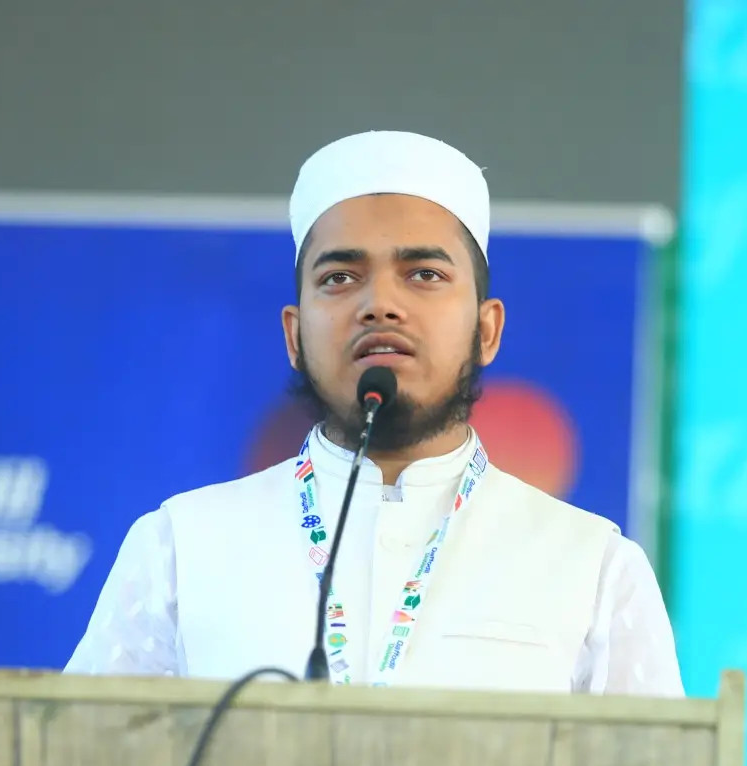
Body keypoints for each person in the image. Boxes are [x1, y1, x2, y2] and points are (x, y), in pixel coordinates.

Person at [64, 130, 684, 697]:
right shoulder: (178, 548)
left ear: (487, 330)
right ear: (294, 335)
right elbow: (83, 763)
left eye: (424, 273)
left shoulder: (595, 567)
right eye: (340, 278)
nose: (380, 304)